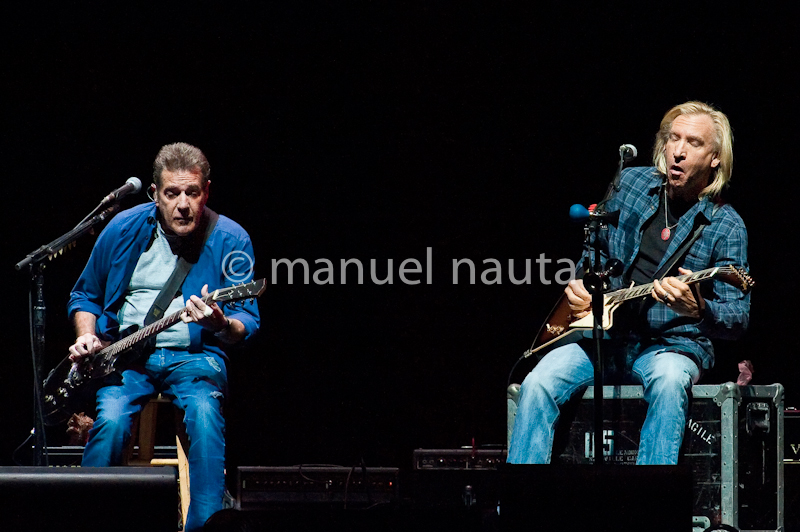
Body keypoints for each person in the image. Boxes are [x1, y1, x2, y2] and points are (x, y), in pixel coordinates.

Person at [507, 101, 749, 465]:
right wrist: (581, 284)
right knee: (537, 382)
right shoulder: (633, 182)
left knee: (669, 383)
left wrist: (698, 309)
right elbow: (594, 251)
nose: (678, 152)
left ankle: (649, 509)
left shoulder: (727, 225)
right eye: (673, 139)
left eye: (693, 143)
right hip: (603, 338)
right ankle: (521, 506)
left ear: (716, 158)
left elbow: (737, 317)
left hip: (671, 345)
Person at [67, 142, 260, 531]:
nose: (183, 204)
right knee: (112, 422)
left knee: (206, 418)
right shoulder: (122, 227)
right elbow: (84, 295)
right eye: (172, 193)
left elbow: (246, 321)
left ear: (207, 191)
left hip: (195, 358)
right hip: (127, 359)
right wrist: (87, 336)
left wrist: (221, 325)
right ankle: (88, 518)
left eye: (193, 193)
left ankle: (204, 526)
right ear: (156, 194)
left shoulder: (231, 239)